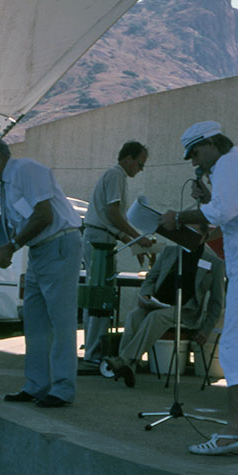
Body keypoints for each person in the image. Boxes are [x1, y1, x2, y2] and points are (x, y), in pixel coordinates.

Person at [161, 121, 238, 455]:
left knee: (235, 341)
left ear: (212, 143)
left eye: (195, 153)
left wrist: (179, 216)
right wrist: (209, 199)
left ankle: (233, 431)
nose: (194, 162)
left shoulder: (228, 163)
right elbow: (231, 211)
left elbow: (224, 211)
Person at [0, 139, 83, 408]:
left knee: (60, 322)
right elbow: (23, 220)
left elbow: (44, 215)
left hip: (58, 244)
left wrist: (12, 246)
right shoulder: (6, 184)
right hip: (38, 251)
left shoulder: (26, 170)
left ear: (0, 158)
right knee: (34, 320)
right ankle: (36, 385)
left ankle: (62, 389)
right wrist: (12, 246)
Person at [103, 243, 224, 387]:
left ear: (203, 235)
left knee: (156, 317)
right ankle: (130, 365)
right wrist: (146, 295)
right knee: (134, 316)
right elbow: (151, 277)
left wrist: (206, 329)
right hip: (158, 302)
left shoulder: (214, 262)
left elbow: (217, 302)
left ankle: (124, 360)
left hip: (186, 310)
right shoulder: (170, 251)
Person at [81, 141, 154, 365]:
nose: (139, 170)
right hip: (99, 240)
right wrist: (137, 236)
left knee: (98, 293)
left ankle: (94, 348)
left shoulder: (116, 176)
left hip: (102, 237)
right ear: (128, 159)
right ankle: (94, 353)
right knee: (101, 296)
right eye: (140, 164)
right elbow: (113, 213)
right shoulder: (116, 175)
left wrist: (132, 242)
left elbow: (111, 221)